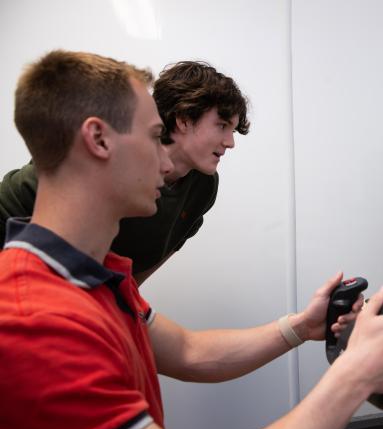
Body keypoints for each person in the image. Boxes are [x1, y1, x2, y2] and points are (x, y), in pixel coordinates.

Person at [0, 50, 383, 429]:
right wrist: (357, 373)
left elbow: (188, 351)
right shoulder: (38, 320)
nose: (166, 164)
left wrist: (301, 326)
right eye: (153, 137)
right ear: (97, 140)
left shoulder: (105, 277)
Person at [0, 60, 249, 285]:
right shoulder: (111, 159)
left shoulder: (203, 187)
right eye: (222, 125)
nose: (230, 142)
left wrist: (124, 309)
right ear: (184, 119)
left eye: (233, 130)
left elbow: (131, 281)